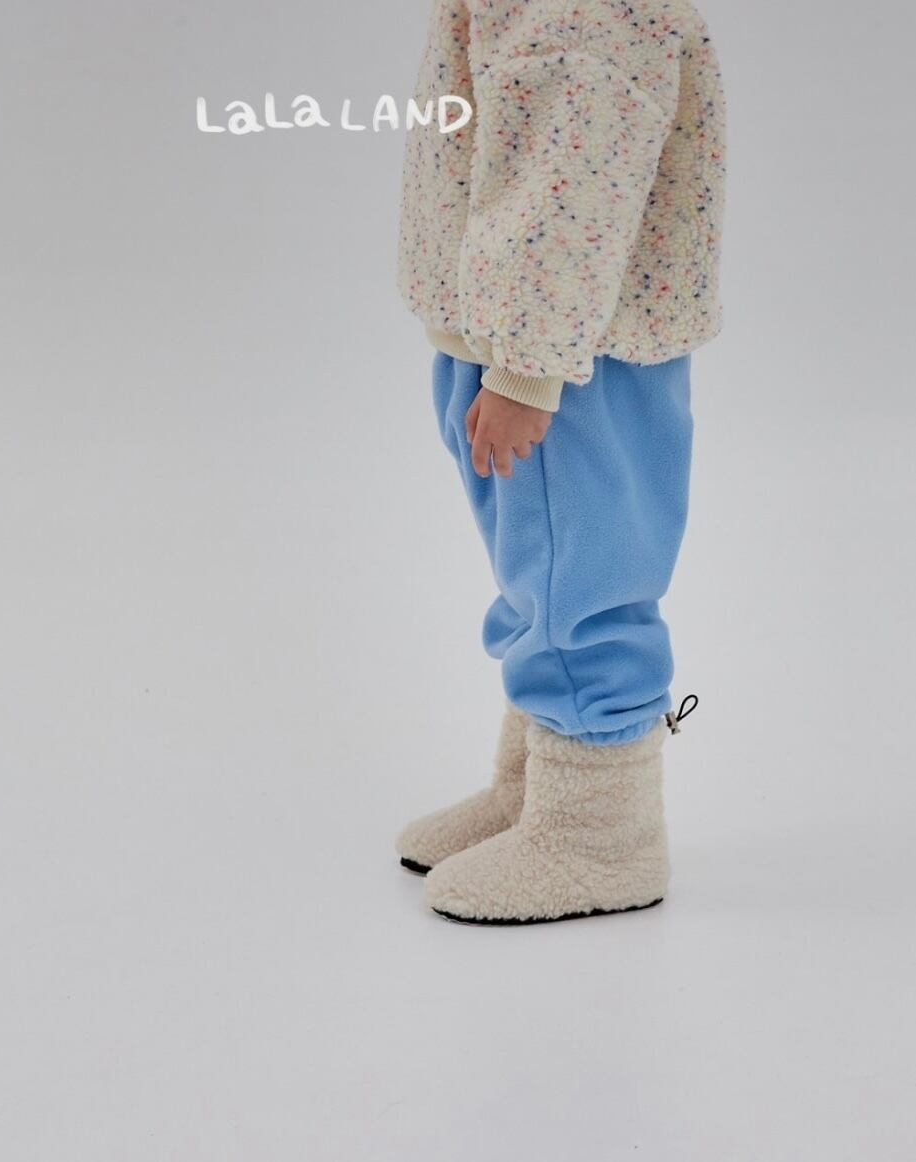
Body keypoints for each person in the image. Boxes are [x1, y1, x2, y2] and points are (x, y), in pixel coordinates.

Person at [393, 0, 725, 924]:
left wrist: (527, 365)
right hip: (518, 327)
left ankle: (598, 832)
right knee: (536, 573)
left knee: (581, 579)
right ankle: (537, 789)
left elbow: (575, 171)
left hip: (568, 349)